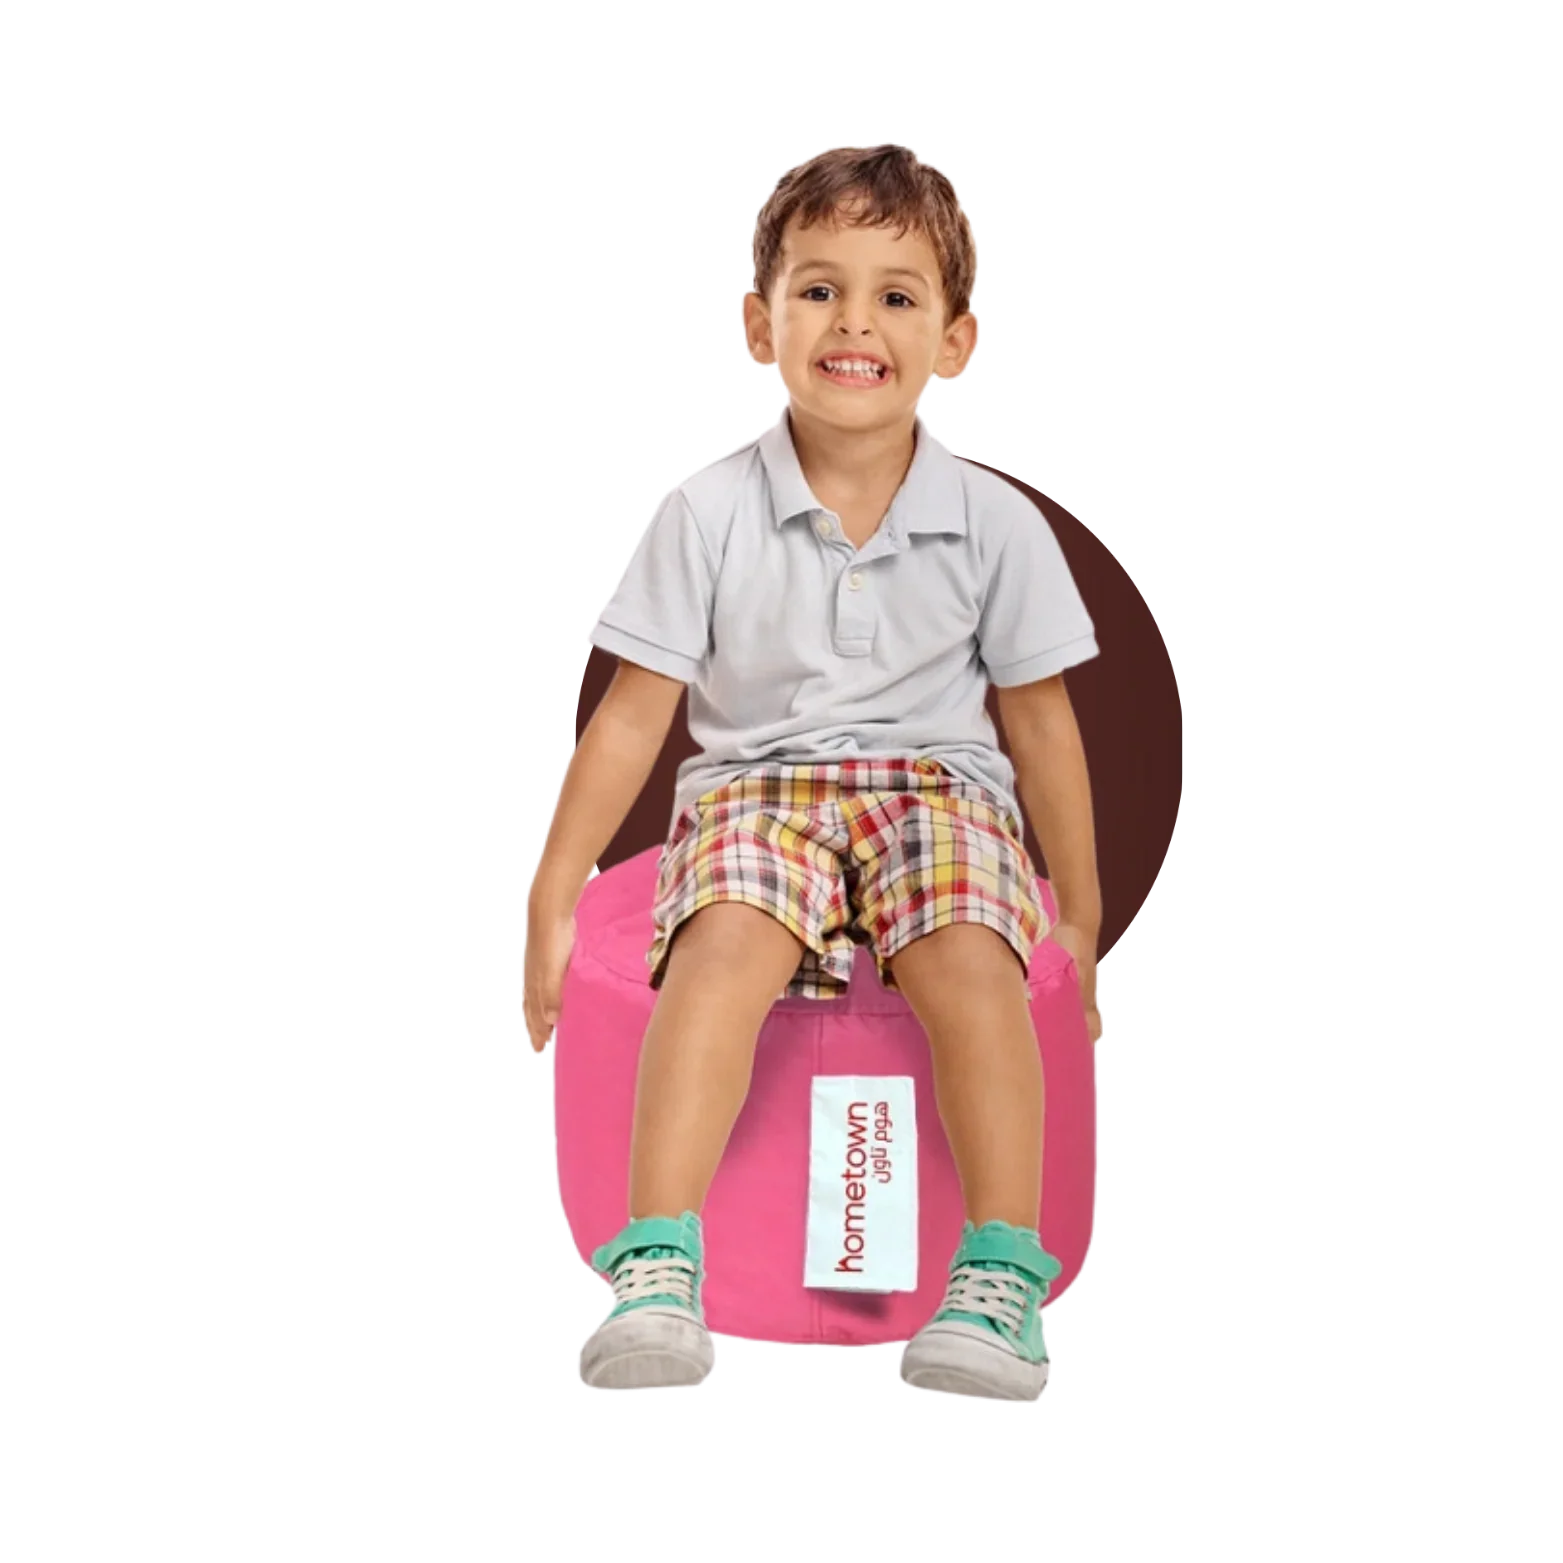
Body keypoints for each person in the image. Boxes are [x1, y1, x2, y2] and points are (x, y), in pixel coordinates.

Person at [523, 144, 1103, 1401]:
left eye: (897, 296)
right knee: (723, 942)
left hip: (941, 791)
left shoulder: (997, 523)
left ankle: (1000, 1278)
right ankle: (659, 1265)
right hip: (756, 793)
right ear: (757, 323)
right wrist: (552, 897)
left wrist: (1083, 916)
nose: (855, 323)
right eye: (819, 289)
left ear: (956, 342)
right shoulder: (704, 510)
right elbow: (632, 719)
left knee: (964, 952)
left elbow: (1043, 723)